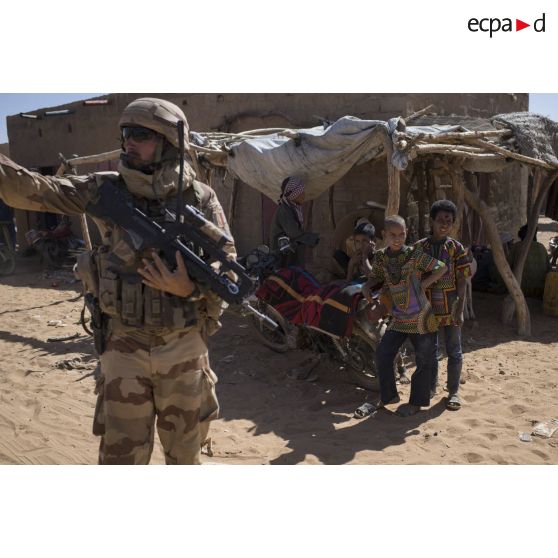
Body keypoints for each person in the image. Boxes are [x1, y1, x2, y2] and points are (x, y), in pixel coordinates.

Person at [0, 97, 236, 464]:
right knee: (120, 459)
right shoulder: (103, 191)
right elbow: (33, 190)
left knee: (185, 458)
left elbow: (227, 262)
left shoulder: (200, 197)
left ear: (169, 143)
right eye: (126, 133)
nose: (129, 142)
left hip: (183, 346)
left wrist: (189, 289)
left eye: (141, 135)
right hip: (123, 346)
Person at [362, 215, 446, 417]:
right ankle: (389, 396)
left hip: (421, 318)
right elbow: (378, 277)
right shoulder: (381, 257)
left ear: (406, 234)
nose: (397, 239)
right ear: (384, 235)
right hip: (398, 317)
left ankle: (416, 402)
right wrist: (366, 287)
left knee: (423, 359)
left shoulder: (414, 255)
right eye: (393, 235)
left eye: (401, 234)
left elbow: (441, 267)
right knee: (383, 353)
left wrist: (424, 284)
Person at [415, 200, 472, 411]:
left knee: (454, 350)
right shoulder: (420, 247)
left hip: (451, 308)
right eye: (440, 219)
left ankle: (454, 391)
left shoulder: (456, 248)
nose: (444, 224)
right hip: (427, 309)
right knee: (429, 351)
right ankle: (430, 388)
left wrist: (461, 309)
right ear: (432, 221)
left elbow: (462, 280)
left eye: (449, 220)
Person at [270, 176, 313, 267]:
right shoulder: (284, 210)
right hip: (282, 254)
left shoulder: (292, 208)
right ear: (294, 194)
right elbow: (294, 233)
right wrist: (312, 239)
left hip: (290, 253)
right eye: (301, 192)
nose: (304, 195)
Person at [508, 224, 550, 298]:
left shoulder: (516, 246)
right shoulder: (541, 247)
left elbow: (508, 267)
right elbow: (548, 268)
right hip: (540, 290)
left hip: (520, 288)